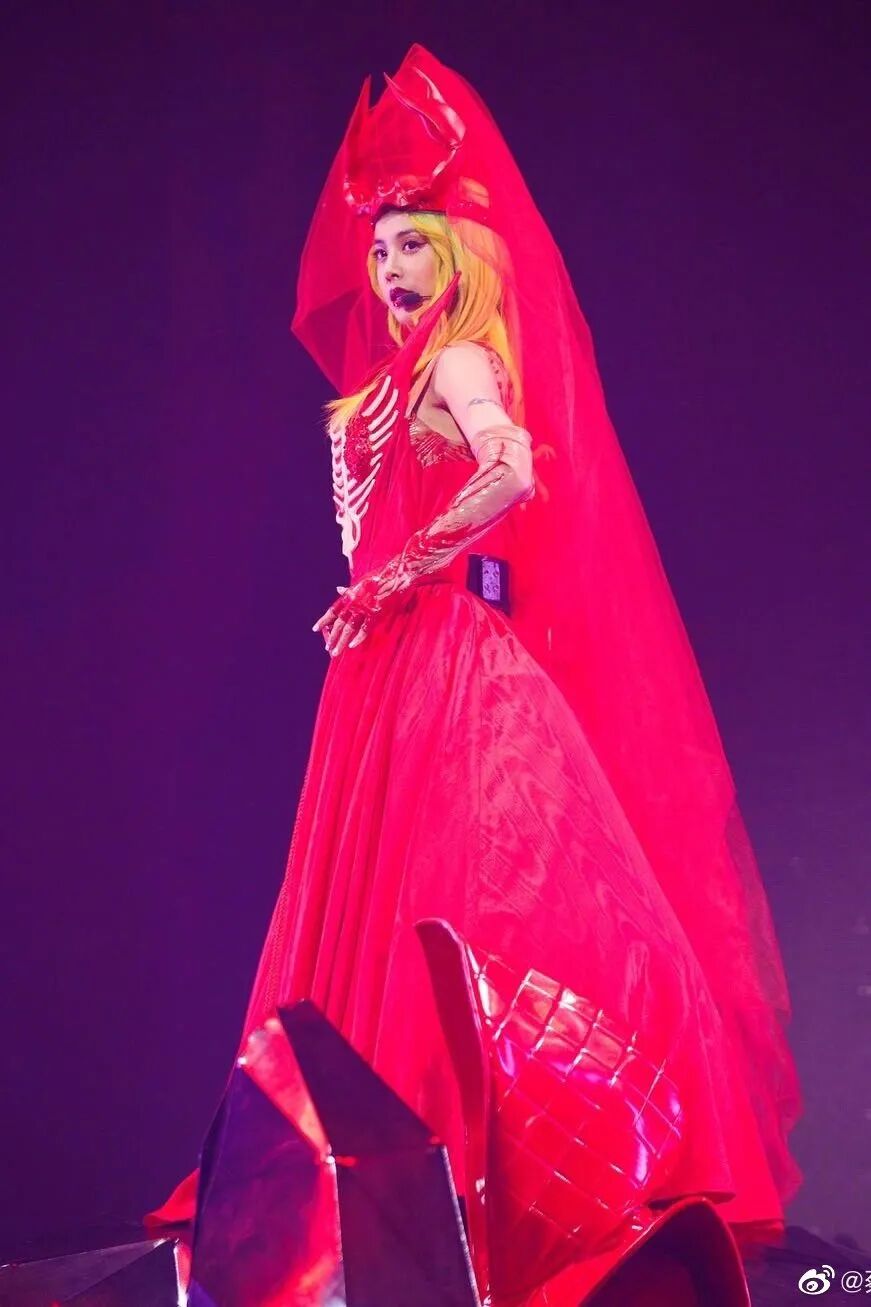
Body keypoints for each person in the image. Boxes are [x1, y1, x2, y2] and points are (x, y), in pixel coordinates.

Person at [151, 45, 801, 1303]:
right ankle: (375, 1180)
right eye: (381, 247)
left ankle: (493, 1169)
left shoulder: (457, 361)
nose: (391, 267)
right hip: (380, 671)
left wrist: (399, 573)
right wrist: (379, 590)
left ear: (460, 256)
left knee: (471, 890)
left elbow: (512, 467)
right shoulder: (389, 378)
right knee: (377, 899)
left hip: (447, 654)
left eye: (415, 244)